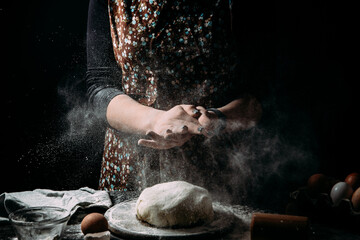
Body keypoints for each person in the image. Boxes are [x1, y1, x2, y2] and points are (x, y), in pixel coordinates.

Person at [86, 0, 266, 200]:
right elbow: (99, 88)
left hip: (213, 168)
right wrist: (156, 121)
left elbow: (258, 96)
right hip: (129, 166)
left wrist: (216, 118)